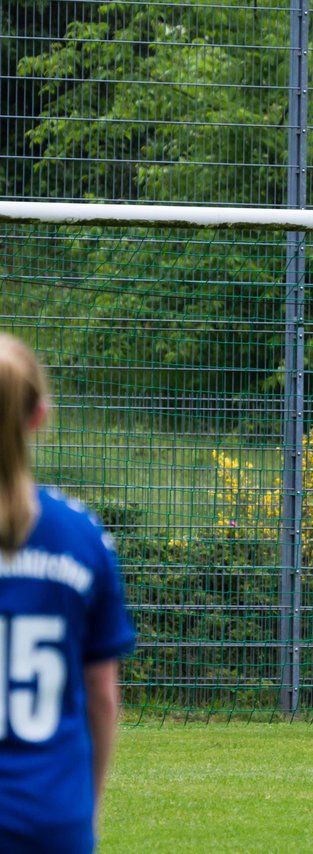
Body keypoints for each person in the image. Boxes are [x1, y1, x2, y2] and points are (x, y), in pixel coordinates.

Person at [0, 334, 135, 853]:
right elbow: (102, 695)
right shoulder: (83, 537)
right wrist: (87, 812)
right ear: (39, 415)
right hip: (51, 819)